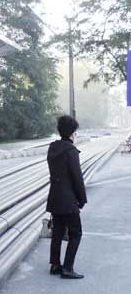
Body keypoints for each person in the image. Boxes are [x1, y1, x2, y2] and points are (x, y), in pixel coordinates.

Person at [46, 115, 87, 279]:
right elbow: (77, 178)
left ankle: (55, 265)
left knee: (57, 232)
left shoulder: (52, 149)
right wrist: (82, 199)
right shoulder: (71, 151)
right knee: (76, 233)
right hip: (68, 200)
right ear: (71, 133)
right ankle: (68, 268)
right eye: (75, 132)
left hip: (55, 197)